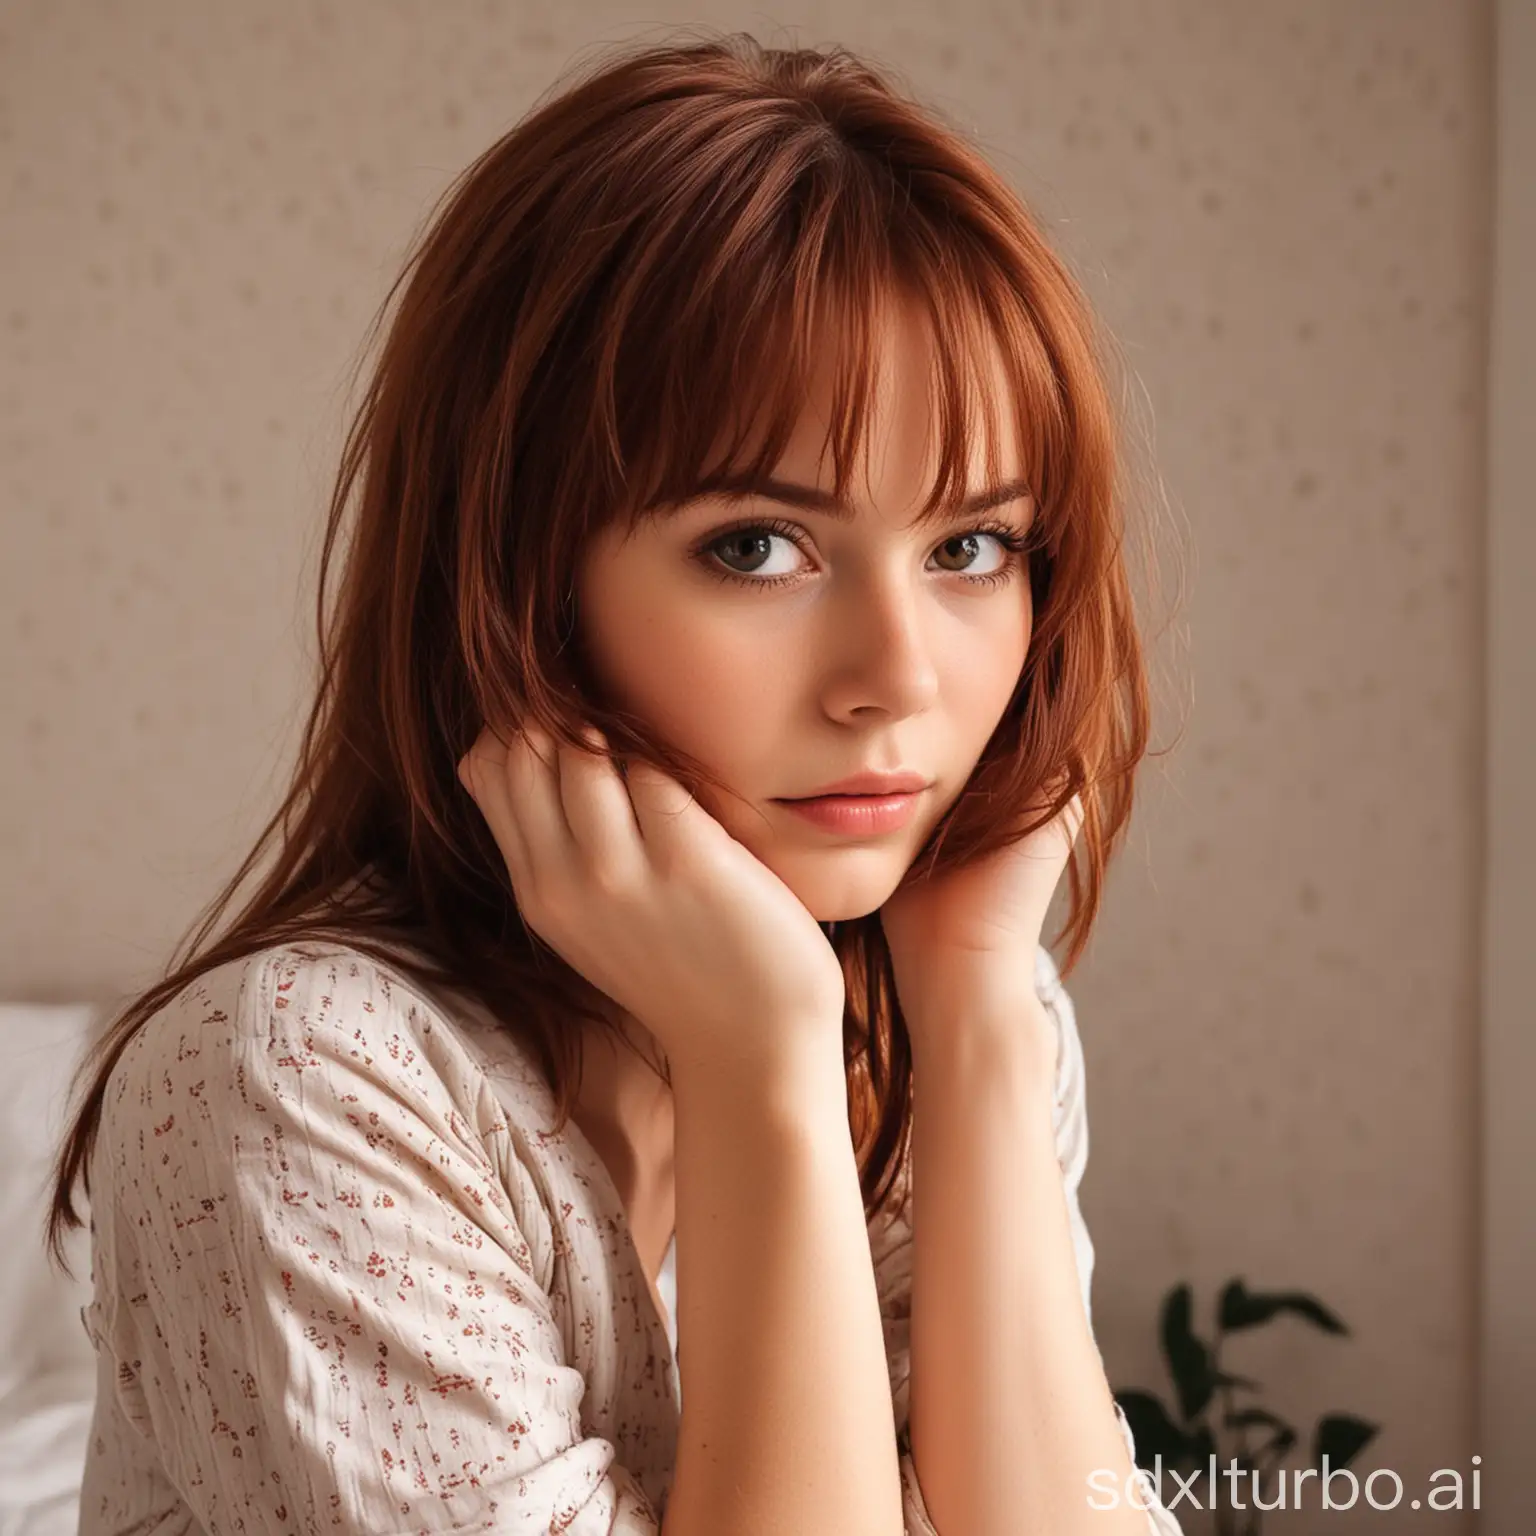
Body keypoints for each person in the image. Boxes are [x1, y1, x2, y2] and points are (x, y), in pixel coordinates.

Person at [46, 31, 1183, 1536]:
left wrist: (975, 1021)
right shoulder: (302, 1078)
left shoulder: (950, 1005)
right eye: (757, 547)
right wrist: (760, 1063)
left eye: (971, 547)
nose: (899, 678)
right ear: (521, 582)